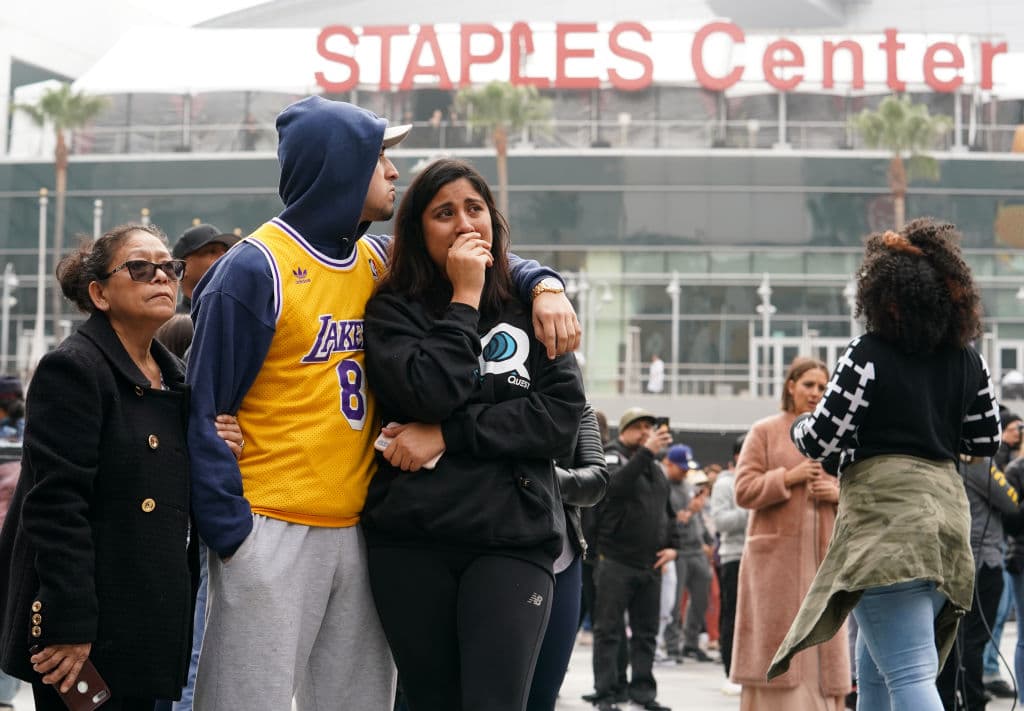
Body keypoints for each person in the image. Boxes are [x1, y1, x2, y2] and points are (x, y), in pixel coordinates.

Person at [186, 97, 580, 711]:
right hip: (271, 521)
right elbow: (205, 407)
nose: (393, 172)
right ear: (339, 166)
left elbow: (479, 255)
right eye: (380, 158)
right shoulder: (253, 268)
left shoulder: (374, 260)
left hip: (358, 526)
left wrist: (545, 282)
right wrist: (231, 535)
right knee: (247, 700)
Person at [360, 157, 586, 710]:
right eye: (444, 213)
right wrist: (463, 299)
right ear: (417, 231)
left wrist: (448, 436)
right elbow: (426, 394)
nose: (464, 224)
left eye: (475, 209)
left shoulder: (534, 305)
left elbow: (559, 420)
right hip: (413, 542)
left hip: (511, 540)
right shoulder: (392, 310)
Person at [771, 220, 1001, 711]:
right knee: (873, 671)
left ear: (883, 296)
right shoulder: (968, 360)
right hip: (945, 523)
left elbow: (819, 439)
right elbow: (986, 439)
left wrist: (797, 426)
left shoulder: (867, 355)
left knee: (909, 672)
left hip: (885, 522)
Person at [0, 224, 196, 710]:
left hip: (154, 617)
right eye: (140, 267)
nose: (162, 277)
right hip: (88, 628)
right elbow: (55, 507)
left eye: (169, 267)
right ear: (100, 293)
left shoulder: (177, 380)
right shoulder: (73, 369)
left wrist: (221, 436)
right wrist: (68, 624)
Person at [731, 356, 850, 711]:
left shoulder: (840, 437)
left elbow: (862, 494)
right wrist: (788, 477)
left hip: (825, 561)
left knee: (823, 651)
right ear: (790, 385)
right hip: (775, 567)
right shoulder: (765, 431)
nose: (816, 393)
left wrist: (836, 493)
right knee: (777, 652)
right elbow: (743, 489)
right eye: (809, 385)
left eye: (823, 387)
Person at [592, 407, 679, 711]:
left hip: (650, 565)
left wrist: (674, 547)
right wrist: (645, 452)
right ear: (625, 429)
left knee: (645, 634)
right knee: (609, 630)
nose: (647, 433)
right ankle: (607, 693)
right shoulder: (613, 455)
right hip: (615, 559)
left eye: (651, 427)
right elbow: (612, 488)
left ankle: (643, 692)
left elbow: (668, 512)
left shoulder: (655, 468)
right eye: (640, 426)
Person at [527, 403, 608, 711]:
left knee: (543, 690)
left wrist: (537, 476)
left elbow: (596, 479)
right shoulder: (491, 390)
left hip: (562, 558)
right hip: (495, 551)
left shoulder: (578, 409)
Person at [936, 455, 1018, 710]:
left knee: (949, 638)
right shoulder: (978, 462)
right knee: (974, 639)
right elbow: (1011, 501)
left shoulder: (942, 456)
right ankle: (973, 700)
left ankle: (949, 700)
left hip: (950, 561)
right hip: (983, 562)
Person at [662, 444, 714, 664]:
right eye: (681, 467)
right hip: (678, 550)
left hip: (696, 548)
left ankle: (690, 643)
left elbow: (697, 518)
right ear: (669, 463)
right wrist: (689, 511)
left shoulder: (687, 485)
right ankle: (672, 646)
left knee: (702, 596)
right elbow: (668, 523)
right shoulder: (663, 487)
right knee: (674, 603)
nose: (685, 472)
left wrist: (707, 540)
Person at [711, 434, 747, 696]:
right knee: (732, 614)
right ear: (738, 456)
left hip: (757, 556)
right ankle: (730, 671)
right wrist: (752, 507)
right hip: (734, 557)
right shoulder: (726, 484)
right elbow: (720, 521)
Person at [170, 223, 239, 312]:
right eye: (211, 251)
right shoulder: (171, 322)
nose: (224, 256)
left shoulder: (235, 314)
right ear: (182, 267)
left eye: (226, 251)